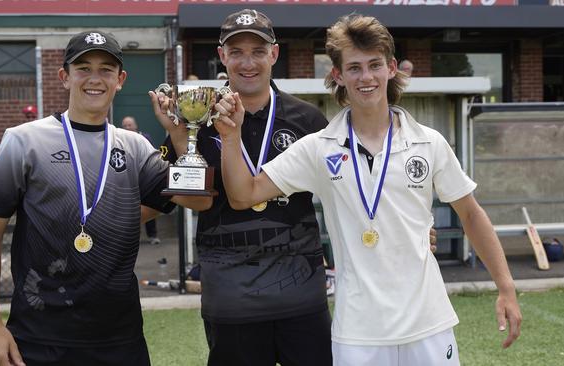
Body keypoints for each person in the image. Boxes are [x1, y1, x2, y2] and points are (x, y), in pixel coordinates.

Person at [213, 14, 521, 366]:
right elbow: (244, 194)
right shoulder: (319, 147)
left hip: (428, 324)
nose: (366, 77)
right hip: (358, 332)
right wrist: (231, 136)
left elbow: (471, 214)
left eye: (374, 65)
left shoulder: (428, 142)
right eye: (354, 68)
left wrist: (506, 287)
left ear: (391, 68)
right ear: (338, 76)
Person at [150, 9, 437, 366]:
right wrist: (179, 139)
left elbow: (356, 191)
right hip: (231, 298)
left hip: (301, 299)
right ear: (222, 56)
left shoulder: (308, 121)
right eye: (236, 52)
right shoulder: (196, 116)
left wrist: (411, 229)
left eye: (258, 51)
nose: (247, 62)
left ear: (274, 54)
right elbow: (194, 203)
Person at [0, 30, 211, 366]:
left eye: (106, 70)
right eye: (83, 68)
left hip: (119, 337)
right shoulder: (25, 141)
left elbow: (198, 201)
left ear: (120, 79)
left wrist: (177, 134)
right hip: (40, 333)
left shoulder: (135, 147)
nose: (94, 79)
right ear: (64, 76)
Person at [121, 115, 161, 245]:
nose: (127, 127)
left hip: (143, 179)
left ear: (135, 126)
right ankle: (130, 238)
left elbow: (153, 157)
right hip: (127, 180)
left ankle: (153, 235)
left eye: (129, 125)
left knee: (147, 206)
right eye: (125, 125)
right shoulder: (119, 139)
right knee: (128, 210)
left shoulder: (145, 138)